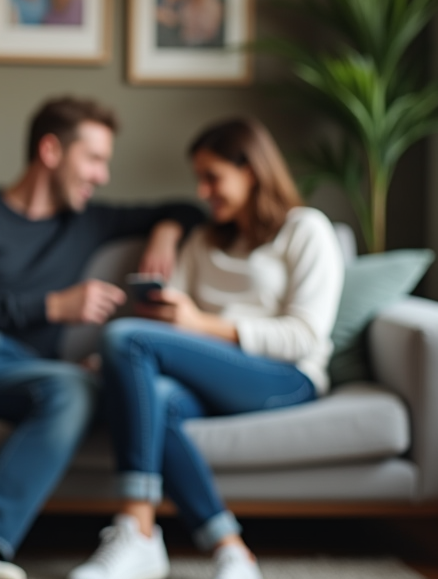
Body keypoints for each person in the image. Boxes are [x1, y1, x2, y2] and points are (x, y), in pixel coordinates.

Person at [0, 96, 206, 579]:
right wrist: (54, 306)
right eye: (94, 159)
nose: (102, 176)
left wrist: (165, 231)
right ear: (51, 150)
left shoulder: (88, 220)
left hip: (25, 367)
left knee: (76, 389)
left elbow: (189, 207)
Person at [68, 117, 343, 579]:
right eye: (199, 178)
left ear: (251, 170)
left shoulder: (306, 230)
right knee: (151, 395)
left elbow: (305, 337)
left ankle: (136, 526)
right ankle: (231, 551)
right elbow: (169, 333)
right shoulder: (201, 241)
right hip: (211, 378)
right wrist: (121, 364)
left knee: (124, 335)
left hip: (283, 376)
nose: (202, 191)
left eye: (213, 177)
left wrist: (202, 322)